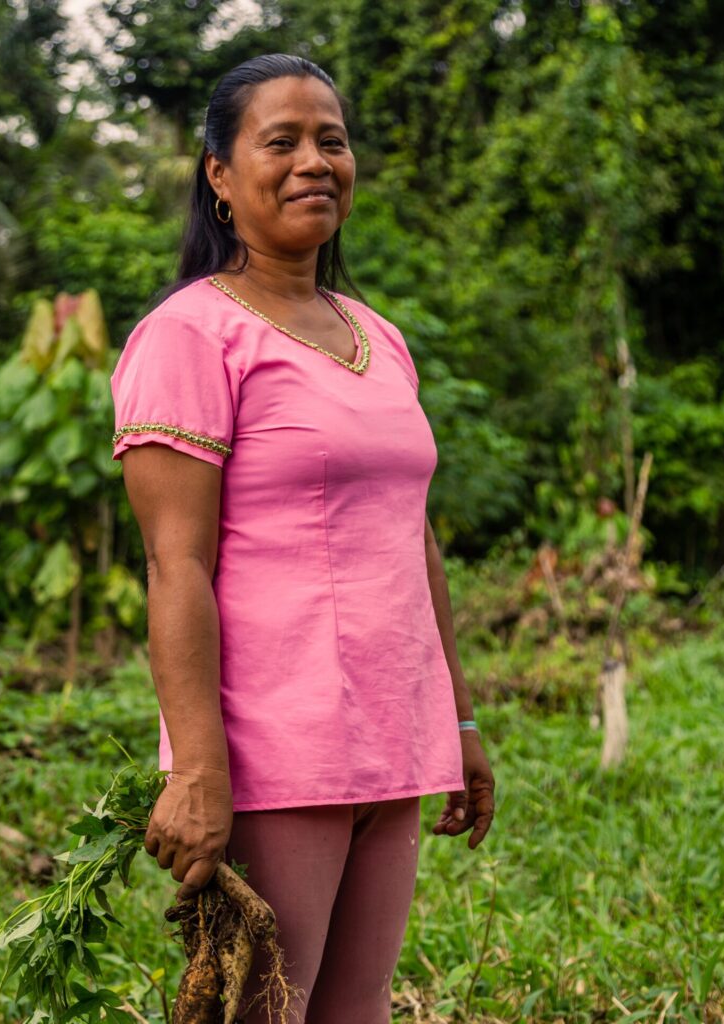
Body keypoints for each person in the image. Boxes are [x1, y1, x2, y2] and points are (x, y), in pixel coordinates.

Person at [110, 53, 495, 1024]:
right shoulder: (191, 335)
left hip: (393, 736)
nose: (314, 160)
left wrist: (457, 722)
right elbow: (175, 565)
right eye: (279, 141)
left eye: (331, 138)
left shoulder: (378, 337)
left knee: (354, 1009)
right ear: (220, 175)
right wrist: (197, 770)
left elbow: (414, 542)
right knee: (265, 1012)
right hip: (277, 750)